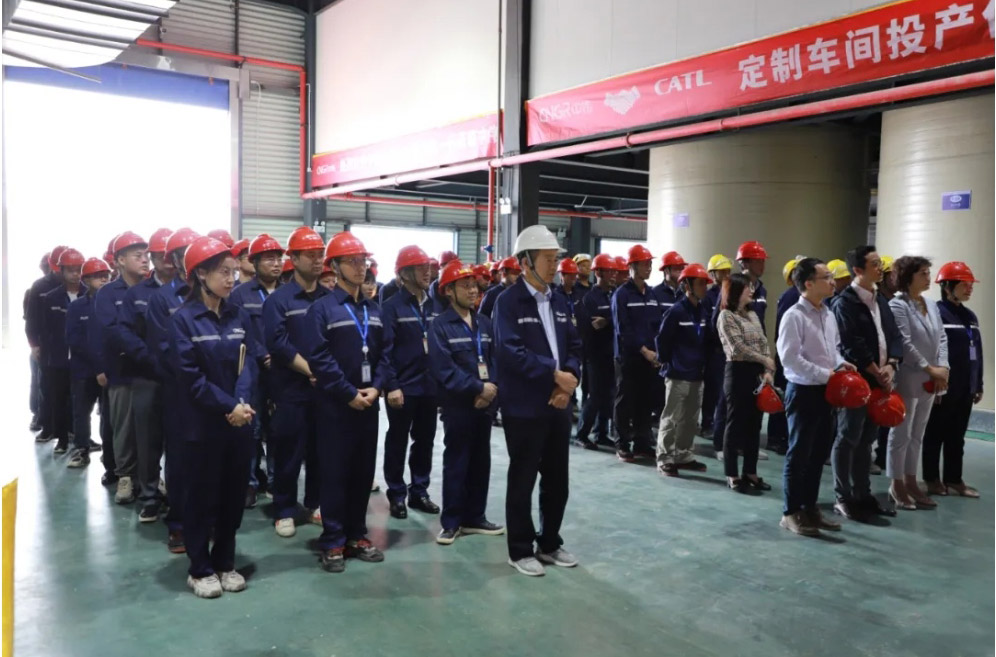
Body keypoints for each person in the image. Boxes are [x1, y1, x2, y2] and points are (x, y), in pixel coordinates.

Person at [170, 236, 260, 598]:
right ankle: (200, 568)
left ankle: (225, 562)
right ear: (200, 274)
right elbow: (190, 378)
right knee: (200, 498)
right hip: (200, 426)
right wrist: (229, 406)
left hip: (237, 424)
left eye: (234, 271)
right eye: (223, 271)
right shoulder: (183, 320)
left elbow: (248, 363)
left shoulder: (238, 315)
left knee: (231, 497)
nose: (231, 279)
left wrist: (242, 403)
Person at [493, 225, 582, 577]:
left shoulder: (559, 300)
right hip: (524, 407)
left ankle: (549, 542)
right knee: (523, 478)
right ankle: (519, 549)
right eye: (547, 258)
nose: (554, 265)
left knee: (557, 480)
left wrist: (567, 384)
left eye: (555, 258)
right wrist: (554, 375)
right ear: (526, 262)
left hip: (558, 405)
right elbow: (510, 352)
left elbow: (574, 345)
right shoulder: (508, 303)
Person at [304, 232, 393, 573]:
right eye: (352, 262)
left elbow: (386, 354)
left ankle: (357, 535)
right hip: (335, 407)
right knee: (334, 473)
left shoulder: (375, 310)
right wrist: (348, 392)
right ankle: (333, 540)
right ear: (335, 267)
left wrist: (377, 388)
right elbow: (319, 358)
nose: (361, 267)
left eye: (363, 261)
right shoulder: (322, 309)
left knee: (362, 472)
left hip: (368, 404)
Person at [428, 261, 504, 544]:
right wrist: (478, 388)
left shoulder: (484, 322)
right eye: (465, 286)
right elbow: (443, 369)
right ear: (449, 291)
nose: (473, 291)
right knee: (456, 462)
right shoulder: (440, 326)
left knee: (480, 462)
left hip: (485, 405)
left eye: (474, 286)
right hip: (458, 405)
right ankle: (451, 522)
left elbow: (496, 360)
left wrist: (491, 391)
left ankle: (475, 517)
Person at [777, 258, 854, 536]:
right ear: (808, 283)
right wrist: (825, 374)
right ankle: (790, 512)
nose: (833, 281)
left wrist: (840, 364)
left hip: (826, 391)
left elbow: (833, 350)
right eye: (826, 277)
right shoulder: (794, 316)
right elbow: (789, 359)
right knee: (798, 454)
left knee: (818, 454)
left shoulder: (828, 314)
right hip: (803, 391)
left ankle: (810, 508)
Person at [263, 227, 328, 537]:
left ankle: (315, 502)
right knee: (289, 451)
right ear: (295, 259)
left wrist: (325, 373)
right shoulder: (279, 300)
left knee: (320, 449)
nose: (317, 261)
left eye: (320, 255)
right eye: (310, 255)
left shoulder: (329, 298)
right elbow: (278, 343)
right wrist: (310, 370)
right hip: (291, 389)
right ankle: (284, 509)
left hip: (324, 389)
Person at [831, 245, 903, 521]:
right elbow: (851, 343)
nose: (880, 268)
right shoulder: (845, 302)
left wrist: (891, 365)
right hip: (857, 382)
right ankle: (843, 496)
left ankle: (862, 494)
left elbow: (894, 336)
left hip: (878, 379)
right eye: (874, 264)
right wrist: (875, 370)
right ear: (858, 270)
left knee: (867, 440)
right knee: (848, 436)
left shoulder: (880, 299)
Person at [144, 227, 200, 553]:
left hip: (214, 395)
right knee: (179, 462)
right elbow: (163, 350)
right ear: (175, 260)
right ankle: (178, 524)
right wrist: (197, 377)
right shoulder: (162, 299)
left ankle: (205, 520)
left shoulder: (220, 295)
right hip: (180, 394)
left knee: (209, 461)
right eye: (184, 253)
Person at [114, 227, 174, 522]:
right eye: (160, 256)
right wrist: (150, 360)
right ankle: (149, 497)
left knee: (179, 440)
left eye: (171, 255)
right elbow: (125, 333)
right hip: (147, 377)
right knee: (148, 441)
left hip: (181, 379)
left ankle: (177, 495)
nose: (166, 261)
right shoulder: (137, 294)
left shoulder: (189, 292)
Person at [381, 246, 440, 519]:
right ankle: (396, 493)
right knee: (397, 440)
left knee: (425, 441)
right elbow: (384, 351)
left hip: (429, 386)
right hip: (403, 387)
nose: (427, 273)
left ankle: (419, 491)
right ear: (404, 273)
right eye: (420, 268)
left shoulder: (435, 305)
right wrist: (391, 385)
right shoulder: (391, 307)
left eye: (428, 268)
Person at [887, 256, 948, 510]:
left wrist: (943, 368)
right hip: (910, 375)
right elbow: (905, 341)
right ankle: (896, 483)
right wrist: (929, 368)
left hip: (932, 378)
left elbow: (941, 337)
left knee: (918, 434)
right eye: (922, 273)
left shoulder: (931, 304)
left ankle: (911, 480)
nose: (927, 277)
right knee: (901, 433)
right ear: (908, 276)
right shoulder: (898, 304)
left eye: (928, 273)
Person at [229, 233, 285, 507]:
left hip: (284, 369)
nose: (276, 264)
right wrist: (263, 354)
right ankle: (249, 482)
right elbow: (241, 331)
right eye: (269, 259)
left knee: (279, 428)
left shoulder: (288, 292)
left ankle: (276, 481)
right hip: (253, 370)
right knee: (252, 426)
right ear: (254, 262)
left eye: (279, 259)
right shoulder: (240, 294)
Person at [94, 231, 150, 505]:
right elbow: (111, 330)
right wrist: (143, 349)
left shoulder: (152, 290)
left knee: (150, 428)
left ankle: (151, 476)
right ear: (119, 260)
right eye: (138, 256)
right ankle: (125, 476)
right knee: (124, 427)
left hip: (150, 372)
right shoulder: (107, 293)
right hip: (122, 370)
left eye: (146, 255)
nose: (145, 260)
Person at [923, 262, 983, 498]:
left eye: (970, 285)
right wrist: (935, 384)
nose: (970, 289)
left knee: (957, 437)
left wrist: (978, 384)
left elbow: (977, 352)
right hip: (944, 386)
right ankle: (931, 479)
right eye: (964, 284)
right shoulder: (936, 313)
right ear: (947, 287)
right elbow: (932, 351)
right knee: (935, 434)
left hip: (965, 388)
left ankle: (954, 479)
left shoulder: (970, 316)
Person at [717, 273, 774, 492]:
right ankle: (732, 475)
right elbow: (737, 347)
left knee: (754, 424)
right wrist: (764, 360)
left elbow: (763, 341)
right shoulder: (726, 316)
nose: (751, 290)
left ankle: (750, 472)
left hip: (756, 373)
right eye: (746, 288)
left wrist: (767, 370)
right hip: (737, 372)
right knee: (735, 425)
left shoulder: (752, 314)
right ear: (735, 292)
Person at [654, 263, 711, 476]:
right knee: (671, 417)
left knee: (690, 419)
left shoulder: (702, 311)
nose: (704, 288)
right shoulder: (676, 311)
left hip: (696, 374)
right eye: (700, 284)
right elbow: (662, 340)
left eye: (705, 283)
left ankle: (683, 455)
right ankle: (665, 458)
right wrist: (669, 362)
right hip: (677, 375)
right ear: (687, 286)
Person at [610, 245, 661, 462]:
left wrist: (656, 352)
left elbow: (657, 325)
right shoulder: (622, 295)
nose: (649, 267)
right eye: (644, 264)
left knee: (645, 401)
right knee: (625, 400)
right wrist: (644, 350)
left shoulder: (651, 294)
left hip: (649, 358)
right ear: (632, 267)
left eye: (650, 264)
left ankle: (642, 443)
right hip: (628, 357)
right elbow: (623, 329)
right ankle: (622, 443)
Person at [66, 257, 113, 469]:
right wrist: (97, 367)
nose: (103, 279)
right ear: (86, 280)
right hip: (84, 370)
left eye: (106, 275)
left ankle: (109, 453)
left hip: (109, 370)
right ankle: (81, 450)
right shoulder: (76, 307)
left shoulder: (113, 304)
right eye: (97, 276)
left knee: (109, 415)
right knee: (82, 412)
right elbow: (74, 340)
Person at [39, 248, 86, 454]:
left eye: (78, 270)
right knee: (59, 399)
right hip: (58, 358)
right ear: (62, 271)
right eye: (71, 270)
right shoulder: (51, 298)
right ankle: (62, 439)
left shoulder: (90, 294)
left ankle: (82, 439)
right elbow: (45, 329)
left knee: (82, 402)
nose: (75, 274)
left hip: (84, 358)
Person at [575, 254, 618, 449]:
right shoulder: (590, 298)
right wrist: (609, 322)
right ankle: (582, 434)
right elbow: (591, 327)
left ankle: (601, 433)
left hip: (611, 353)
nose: (613, 275)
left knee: (609, 395)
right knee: (594, 396)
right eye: (609, 271)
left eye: (614, 271)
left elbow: (616, 319)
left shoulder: (614, 295)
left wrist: (607, 321)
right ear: (598, 272)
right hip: (595, 355)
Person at [769, 257, 806, 456]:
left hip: (791, 356)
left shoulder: (798, 296)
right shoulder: (791, 296)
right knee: (782, 396)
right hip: (788, 356)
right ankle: (776, 438)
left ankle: (782, 436)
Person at [25, 251, 59, 433]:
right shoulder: (36, 288)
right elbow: (31, 320)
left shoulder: (72, 286)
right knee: (40, 381)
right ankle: (40, 417)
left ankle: (49, 420)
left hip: (57, 345)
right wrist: (34, 345)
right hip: (42, 345)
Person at [703, 254, 732, 449]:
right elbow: (709, 323)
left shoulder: (730, 292)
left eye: (728, 271)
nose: (726, 274)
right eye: (722, 271)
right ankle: (707, 423)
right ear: (712, 274)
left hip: (727, 351)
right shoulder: (709, 296)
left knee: (723, 390)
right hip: (713, 349)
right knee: (713, 388)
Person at [872, 255, 898, 473]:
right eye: (893, 274)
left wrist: (893, 362)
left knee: (888, 413)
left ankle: (883, 456)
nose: (897, 278)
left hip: (891, 366)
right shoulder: (876, 302)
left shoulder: (894, 302)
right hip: (875, 368)